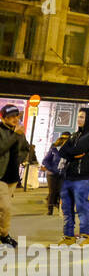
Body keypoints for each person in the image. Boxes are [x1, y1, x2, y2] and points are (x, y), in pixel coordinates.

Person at [57, 108, 89, 246]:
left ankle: (85, 235)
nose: (78, 119)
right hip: (68, 175)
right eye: (78, 116)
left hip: (83, 177)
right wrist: (73, 154)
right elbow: (61, 151)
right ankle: (68, 236)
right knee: (67, 208)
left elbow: (75, 150)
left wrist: (72, 152)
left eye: (82, 117)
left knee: (82, 207)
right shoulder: (74, 135)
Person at [0, 105, 35, 248]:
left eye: (16, 116)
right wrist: (15, 134)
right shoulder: (2, 130)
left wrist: (19, 160)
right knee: (6, 208)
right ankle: (4, 235)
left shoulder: (20, 132)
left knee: (3, 209)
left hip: (12, 176)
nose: (15, 119)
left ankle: (3, 234)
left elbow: (26, 148)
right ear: (3, 118)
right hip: (0, 175)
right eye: (11, 117)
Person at [42, 132, 70, 217]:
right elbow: (45, 161)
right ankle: (50, 210)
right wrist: (52, 169)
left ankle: (60, 208)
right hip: (52, 174)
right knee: (52, 192)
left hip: (63, 174)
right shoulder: (54, 149)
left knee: (61, 191)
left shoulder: (70, 151)